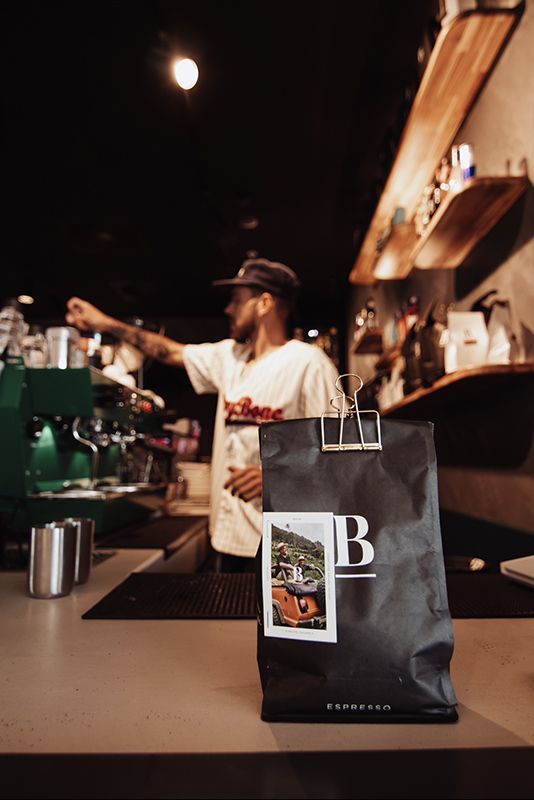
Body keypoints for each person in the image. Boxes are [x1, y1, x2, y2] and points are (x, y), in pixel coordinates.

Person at [66, 257, 339, 572]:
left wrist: (276, 475)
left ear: (264, 303)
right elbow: (169, 351)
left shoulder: (309, 363)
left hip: (282, 547)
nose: (228, 310)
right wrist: (103, 322)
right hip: (226, 537)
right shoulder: (229, 357)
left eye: (237, 301)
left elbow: (337, 452)